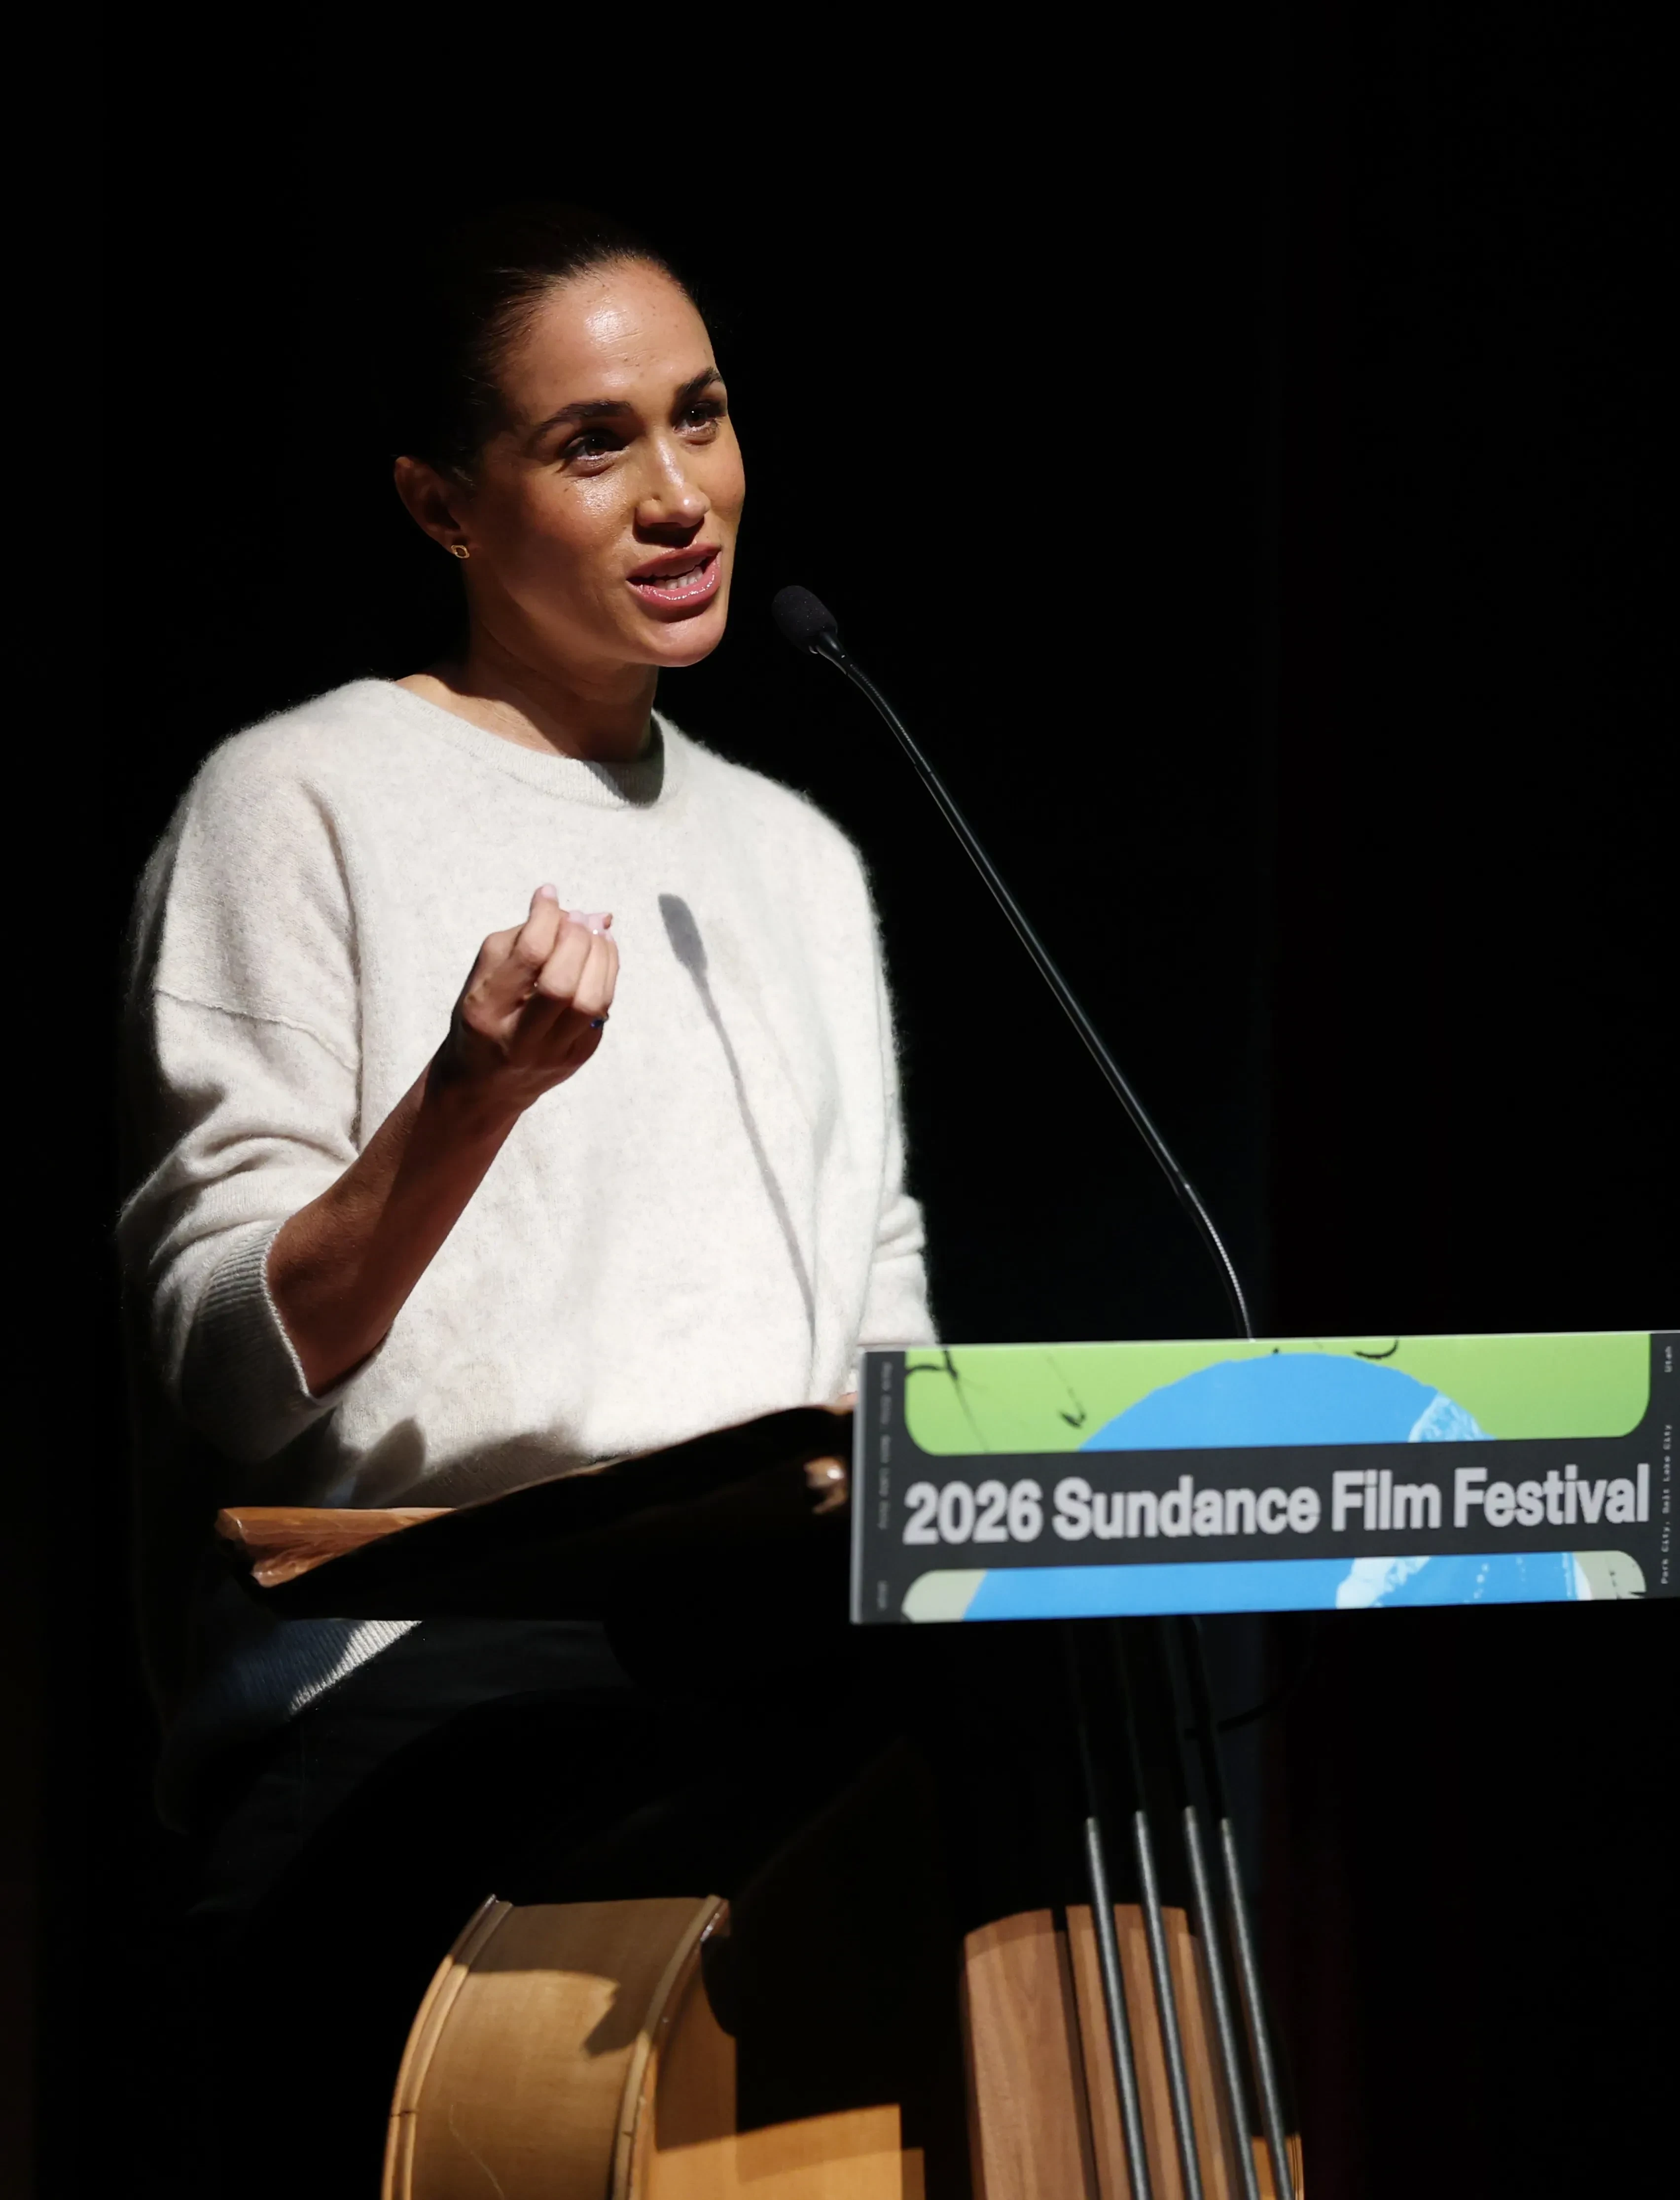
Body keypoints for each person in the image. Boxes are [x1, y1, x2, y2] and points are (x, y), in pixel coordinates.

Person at [117, 204, 932, 2193]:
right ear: (441, 503)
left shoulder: (801, 858)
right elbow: (227, 1368)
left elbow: (880, 1323)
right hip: (430, 1721)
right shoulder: (297, 799)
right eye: (593, 443)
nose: (679, 496)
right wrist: (467, 1098)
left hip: (780, 1695)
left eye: (702, 417)